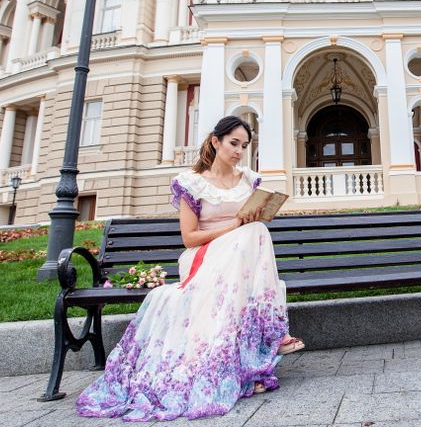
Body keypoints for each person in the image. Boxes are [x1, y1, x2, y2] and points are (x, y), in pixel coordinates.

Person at [77, 115, 304, 422]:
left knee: (257, 232)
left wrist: (256, 217)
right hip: (204, 255)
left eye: (244, 145)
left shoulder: (249, 180)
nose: (239, 151)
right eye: (233, 143)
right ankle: (274, 332)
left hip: (243, 259)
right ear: (215, 141)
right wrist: (236, 225)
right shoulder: (192, 183)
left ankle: (253, 358)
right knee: (253, 233)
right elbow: (190, 238)